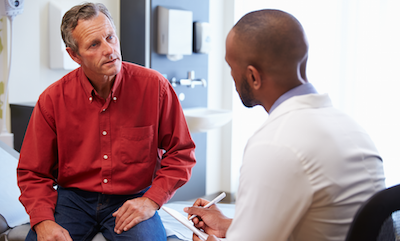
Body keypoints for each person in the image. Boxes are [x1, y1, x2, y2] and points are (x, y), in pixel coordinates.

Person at [184, 9, 386, 241]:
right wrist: (228, 226)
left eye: (231, 67)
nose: (231, 77)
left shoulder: (275, 144)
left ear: (253, 77)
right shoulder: (350, 127)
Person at [17, 3, 196, 241]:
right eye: (94, 44)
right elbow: (33, 171)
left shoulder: (155, 87)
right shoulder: (52, 100)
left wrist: (151, 201)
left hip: (132, 197)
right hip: (73, 200)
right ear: (74, 55)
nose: (110, 49)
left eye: (110, 37)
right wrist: (43, 221)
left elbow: (181, 153)